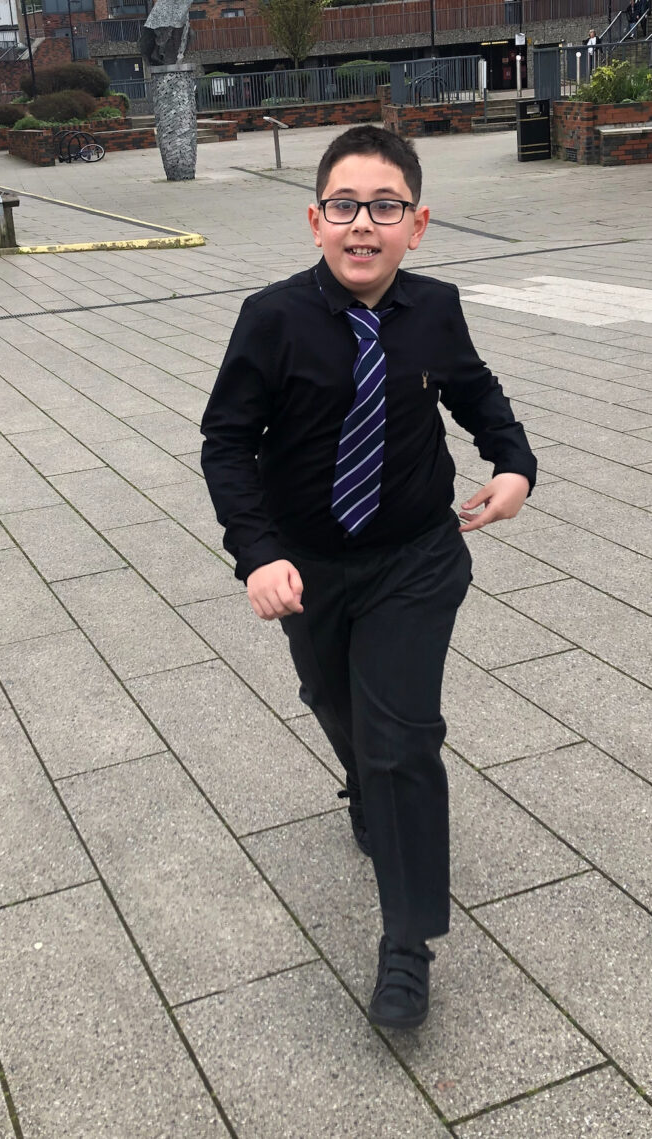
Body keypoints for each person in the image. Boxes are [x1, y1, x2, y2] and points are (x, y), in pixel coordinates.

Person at [201, 126, 537, 1031]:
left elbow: (475, 392)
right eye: (344, 206)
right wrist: (258, 553)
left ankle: (408, 940)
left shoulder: (435, 307)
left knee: (401, 736)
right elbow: (227, 443)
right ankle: (361, 779)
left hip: (416, 558)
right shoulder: (271, 318)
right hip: (307, 568)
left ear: (416, 225)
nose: (363, 225)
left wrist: (513, 464)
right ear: (315, 219)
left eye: (384, 208)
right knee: (331, 699)